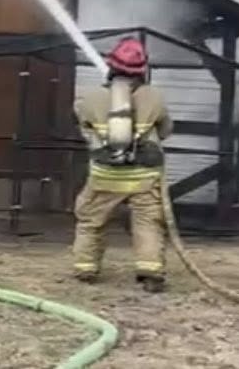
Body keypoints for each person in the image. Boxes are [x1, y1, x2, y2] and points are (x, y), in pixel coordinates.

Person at [72, 36, 173, 291]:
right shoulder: (154, 97)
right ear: (143, 70)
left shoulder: (90, 98)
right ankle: (150, 273)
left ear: (110, 66)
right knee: (148, 222)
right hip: (144, 177)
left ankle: (86, 269)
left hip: (105, 175)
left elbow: (85, 130)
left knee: (91, 220)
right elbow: (165, 131)